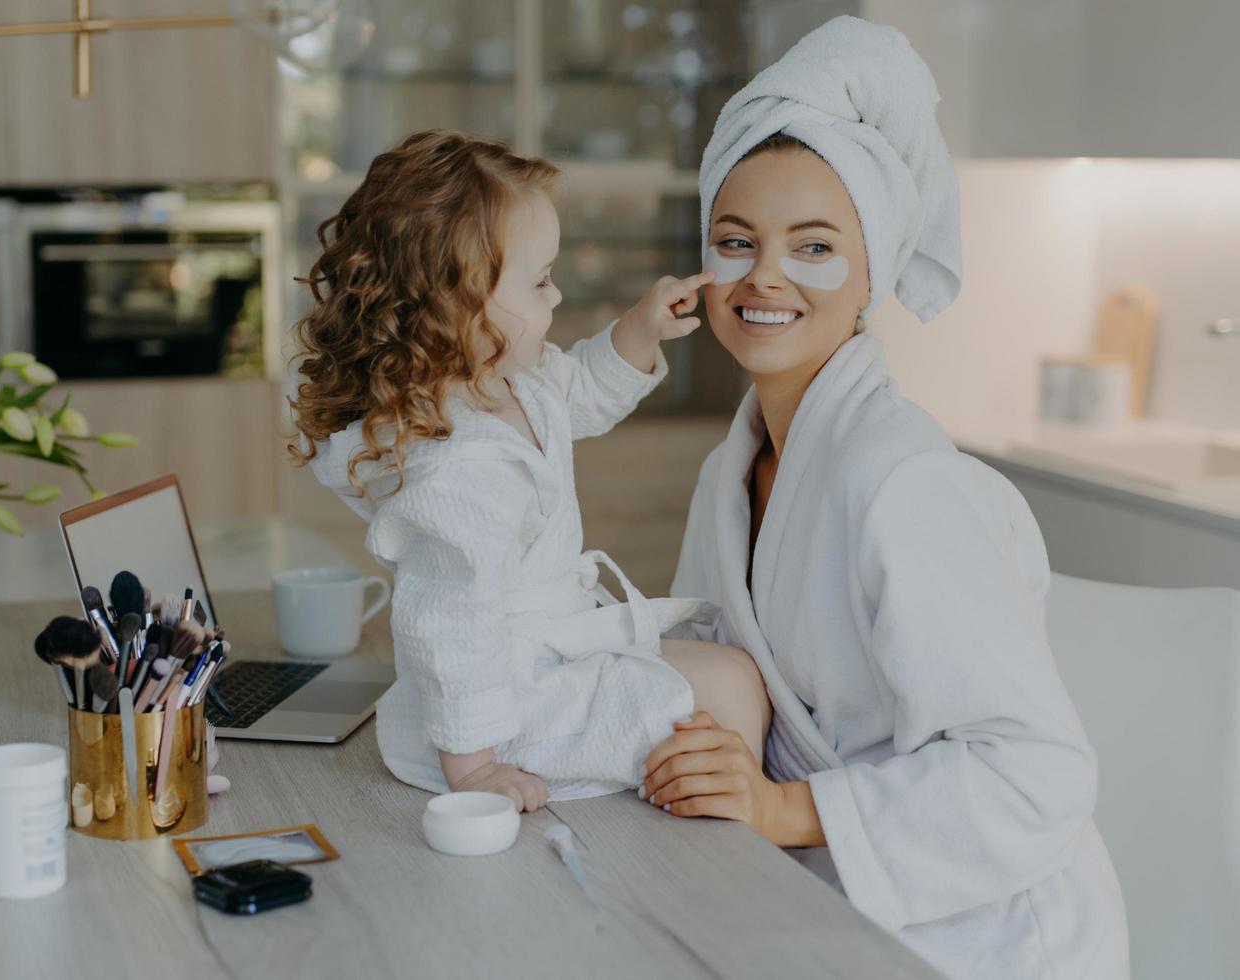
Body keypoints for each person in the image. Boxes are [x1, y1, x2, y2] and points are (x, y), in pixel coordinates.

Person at [646, 16, 1129, 979]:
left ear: (871, 274)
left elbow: (1035, 778)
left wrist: (780, 807)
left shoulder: (905, 485)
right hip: (811, 895)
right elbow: (705, 684)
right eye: (735, 241)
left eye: (813, 246)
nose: (766, 275)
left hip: (983, 935)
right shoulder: (727, 473)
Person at [289, 130, 771, 810]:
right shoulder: (460, 469)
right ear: (456, 306)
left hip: (548, 656)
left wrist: (636, 332)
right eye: (540, 280)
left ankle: (732, 828)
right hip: (504, 712)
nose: (557, 295)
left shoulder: (511, 381)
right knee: (724, 693)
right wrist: (476, 770)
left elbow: (579, 395)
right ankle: (725, 852)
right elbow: (449, 624)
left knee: (731, 672)